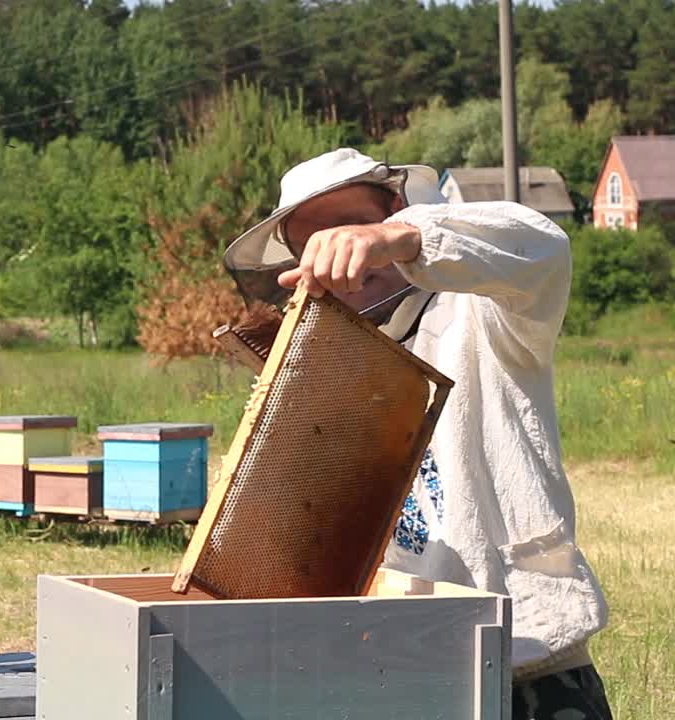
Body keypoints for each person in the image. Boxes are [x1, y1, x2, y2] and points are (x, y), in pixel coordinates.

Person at [223, 148, 613, 720]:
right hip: (397, 667)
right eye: (315, 246)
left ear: (400, 210)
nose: (342, 257)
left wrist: (402, 239)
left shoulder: (487, 313)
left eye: (351, 229)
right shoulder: (327, 365)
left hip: (526, 665)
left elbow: (542, 245)